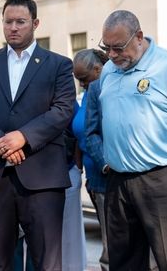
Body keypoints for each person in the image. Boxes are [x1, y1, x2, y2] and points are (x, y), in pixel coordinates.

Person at [91, 10, 167, 271]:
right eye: (106, 48)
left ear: (138, 36)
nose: (111, 55)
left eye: (117, 48)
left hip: (165, 181)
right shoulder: (109, 72)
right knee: (123, 262)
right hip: (119, 181)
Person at [0, 0, 75, 270]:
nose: (13, 28)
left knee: (47, 263)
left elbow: (62, 111)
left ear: (35, 23)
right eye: (8, 22)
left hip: (42, 178)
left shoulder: (58, 65)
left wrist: (23, 138)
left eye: (20, 22)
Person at [67, 49, 109, 270]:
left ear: (98, 69)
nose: (81, 84)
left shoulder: (107, 92)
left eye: (83, 78)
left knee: (112, 247)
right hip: (93, 181)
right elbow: (81, 132)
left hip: (110, 178)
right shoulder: (88, 95)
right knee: (107, 242)